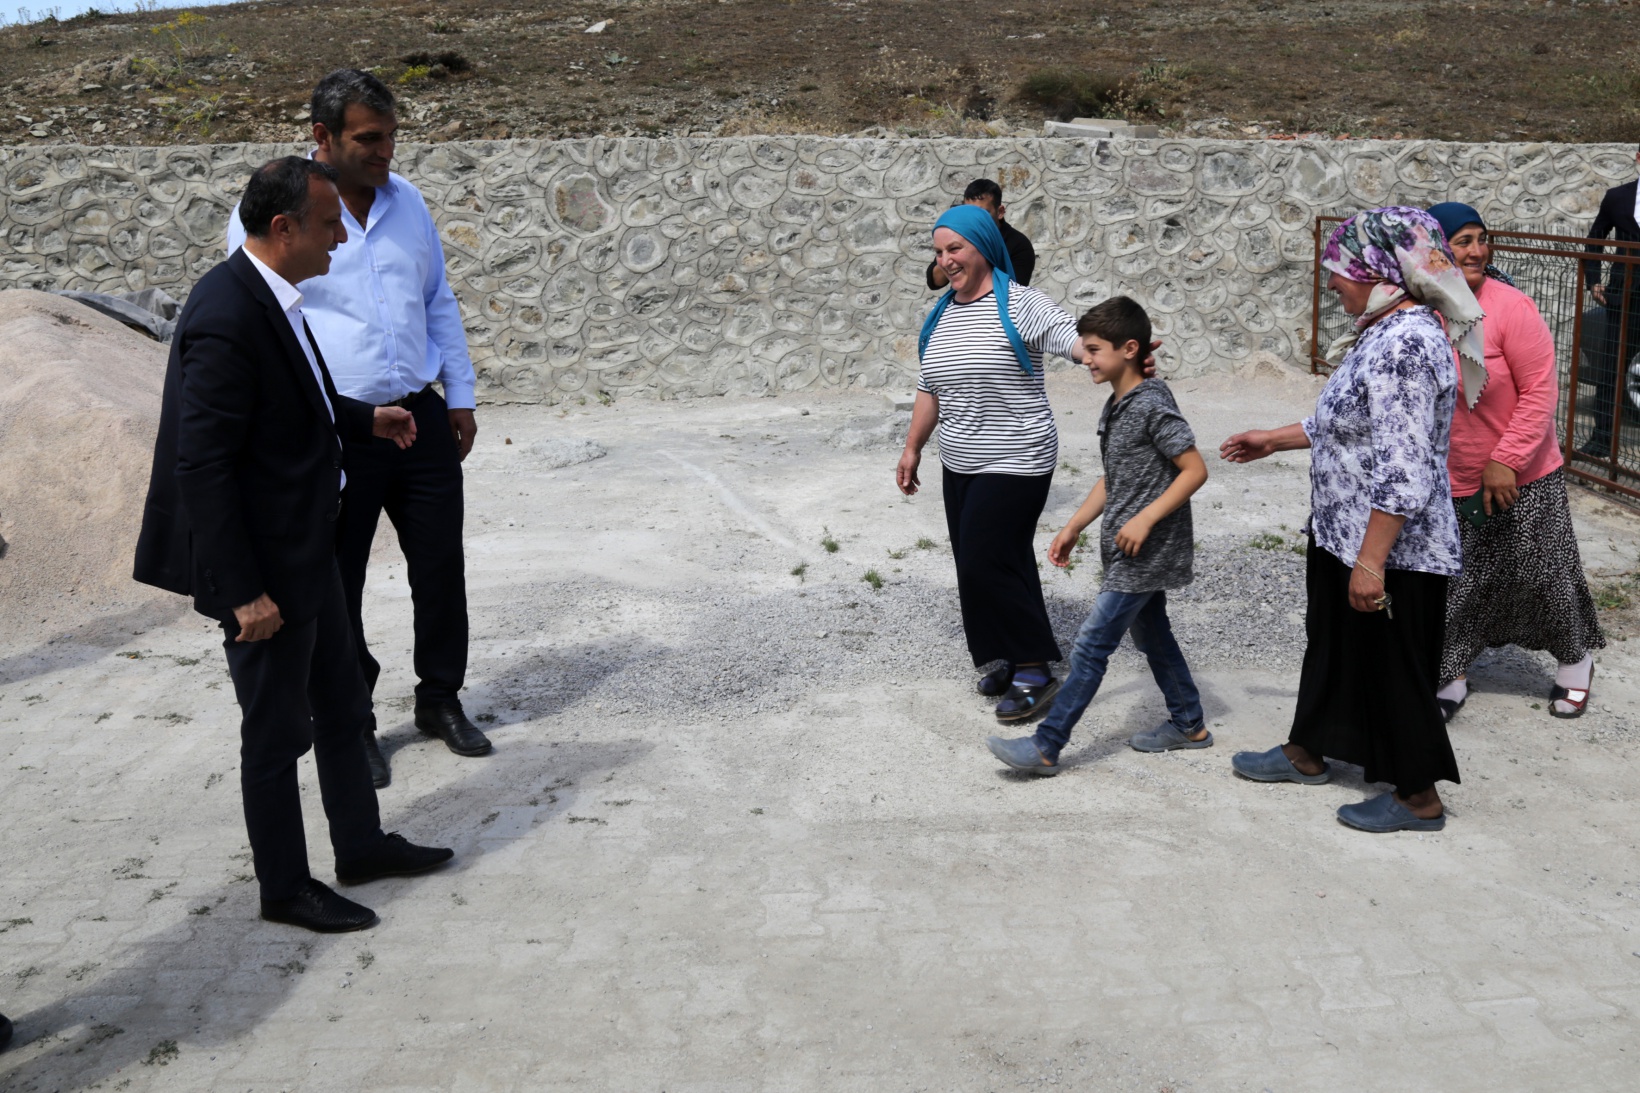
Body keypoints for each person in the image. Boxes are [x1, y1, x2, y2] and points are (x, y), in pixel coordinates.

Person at [136, 157, 454, 932]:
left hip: (307, 552)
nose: (341, 234)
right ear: (283, 229)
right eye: (328, 223)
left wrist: (361, 419)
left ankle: (361, 843)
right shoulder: (225, 313)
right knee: (277, 735)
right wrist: (244, 591)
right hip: (266, 576)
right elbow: (203, 465)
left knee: (343, 707)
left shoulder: (275, 295)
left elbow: (300, 400)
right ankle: (284, 888)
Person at [227, 69, 487, 789]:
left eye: (391, 136)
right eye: (369, 138)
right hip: (336, 428)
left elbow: (438, 300)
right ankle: (354, 720)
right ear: (323, 137)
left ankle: (440, 697)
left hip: (420, 417)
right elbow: (262, 321)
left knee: (440, 566)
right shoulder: (281, 209)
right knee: (337, 586)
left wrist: (457, 395)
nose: (385, 152)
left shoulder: (410, 206)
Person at [1220, 207, 1479, 833]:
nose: (1331, 283)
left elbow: (1405, 464)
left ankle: (1418, 796)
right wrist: (1275, 440)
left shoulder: (1408, 343)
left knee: (1393, 666)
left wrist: (1371, 562)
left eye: (1337, 272)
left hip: (1395, 550)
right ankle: (1309, 749)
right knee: (1334, 648)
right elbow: (1349, 423)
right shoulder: (1384, 329)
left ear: (1376, 271)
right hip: (1345, 531)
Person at [986, 296, 1209, 774]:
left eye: (1092, 349)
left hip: (1145, 550)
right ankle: (1190, 723)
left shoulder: (1152, 403)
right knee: (1154, 636)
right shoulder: (1117, 404)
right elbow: (1114, 478)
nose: (1084, 358)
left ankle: (1047, 745)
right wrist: (1073, 526)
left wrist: (1146, 518)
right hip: (1124, 547)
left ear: (1129, 349)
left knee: (1091, 647)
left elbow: (1193, 469)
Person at [897, 204, 1079, 719]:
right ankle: (1008, 654)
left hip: (1018, 456)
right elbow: (930, 385)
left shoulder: (1021, 304)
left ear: (982, 246)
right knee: (997, 560)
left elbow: (1070, 337)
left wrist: (1108, 353)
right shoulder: (943, 313)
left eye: (955, 248)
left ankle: (1035, 669)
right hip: (959, 461)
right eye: (938, 252)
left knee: (984, 559)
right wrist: (913, 446)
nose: (946, 261)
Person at [1427, 202, 1605, 720]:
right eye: (1462, 241)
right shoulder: (1421, 310)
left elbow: (1540, 392)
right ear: (1435, 250)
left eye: (1482, 238)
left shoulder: (1511, 307)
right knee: (1455, 580)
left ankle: (1575, 662)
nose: (1477, 250)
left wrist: (1505, 459)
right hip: (1451, 474)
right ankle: (1452, 672)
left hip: (1522, 472)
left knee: (1545, 574)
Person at [1578, 144, 1640, 460]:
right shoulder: (1618, 197)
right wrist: (1593, 280)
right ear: (1638, 159)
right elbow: (1594, 240)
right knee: (1612, 368)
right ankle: (1602, 439)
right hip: (1624, 296)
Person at [924, 179, 1036, 289]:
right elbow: (935, 281)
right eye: (969, 212)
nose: (974, 219)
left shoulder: (1019, 244)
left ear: (1000, 212)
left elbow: (1015, 291)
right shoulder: (958, 237)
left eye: (982, 213)